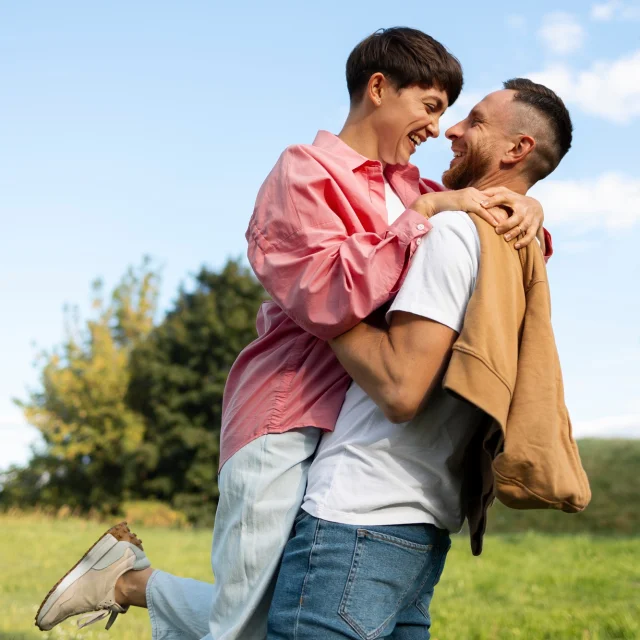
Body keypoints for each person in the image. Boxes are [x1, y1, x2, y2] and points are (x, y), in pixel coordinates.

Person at [35, 29, 549, 639]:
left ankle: (132, 580)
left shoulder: (413, 187)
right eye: (430, 107)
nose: (437, 129)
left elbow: (481, 246)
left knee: (282, 611)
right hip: (286, 412)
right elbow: (325, 293)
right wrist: (423, 218)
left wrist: (528, 210)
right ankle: (129, 581)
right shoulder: (304, 172)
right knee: (246, 623)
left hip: (347, 429)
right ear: (379, 89)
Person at [266, 78, 574, 639]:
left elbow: (400, 388)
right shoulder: (518, 246)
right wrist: (529, 201)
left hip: (357, 513)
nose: (451, 129)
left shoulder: (452, 232)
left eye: (475, 120)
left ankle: (132, 585)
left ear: (517, 149)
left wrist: (311, 297)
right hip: (425, 523)